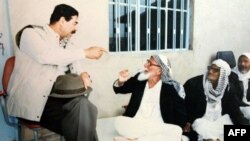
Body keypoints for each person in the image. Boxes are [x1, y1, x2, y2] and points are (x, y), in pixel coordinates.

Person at [6, 4, 107, 141]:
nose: (75, 28)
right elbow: (46, 55)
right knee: (81, 121)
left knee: (86, 107)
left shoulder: (65, 42)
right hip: (38, 98)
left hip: (59, 97)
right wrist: (85, 52)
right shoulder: (31, 34)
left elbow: (74, 62)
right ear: (62, 20)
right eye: (74, 23)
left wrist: (82, 73)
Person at [112, 54, 187, 141]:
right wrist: (120, 81)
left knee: (176, 130)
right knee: (118, 121)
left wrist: (177, 128)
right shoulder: (139, 79)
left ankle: (135, 139)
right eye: (147, 61)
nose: (145, 65)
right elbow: (120, 89)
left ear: (159, 71)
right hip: (137, 123)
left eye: (150, 64)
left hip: (158, 125)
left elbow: (181, 114)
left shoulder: (170, 89)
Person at [183, 59, 249, 141]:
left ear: (223, 74)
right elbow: (184, 107)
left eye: (215, 70)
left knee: (239, 132)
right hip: (200, 122)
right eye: (210, 68)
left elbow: (235, 112)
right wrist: (187, 122)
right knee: (202, 128)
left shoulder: (228, 88)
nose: (210, 71)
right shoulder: (194, 84)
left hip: (220, 121)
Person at [233, 53, 250, 119]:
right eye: (240, 61)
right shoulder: (232, 75)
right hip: (238, 105)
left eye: (245, 61)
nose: (242, 64)